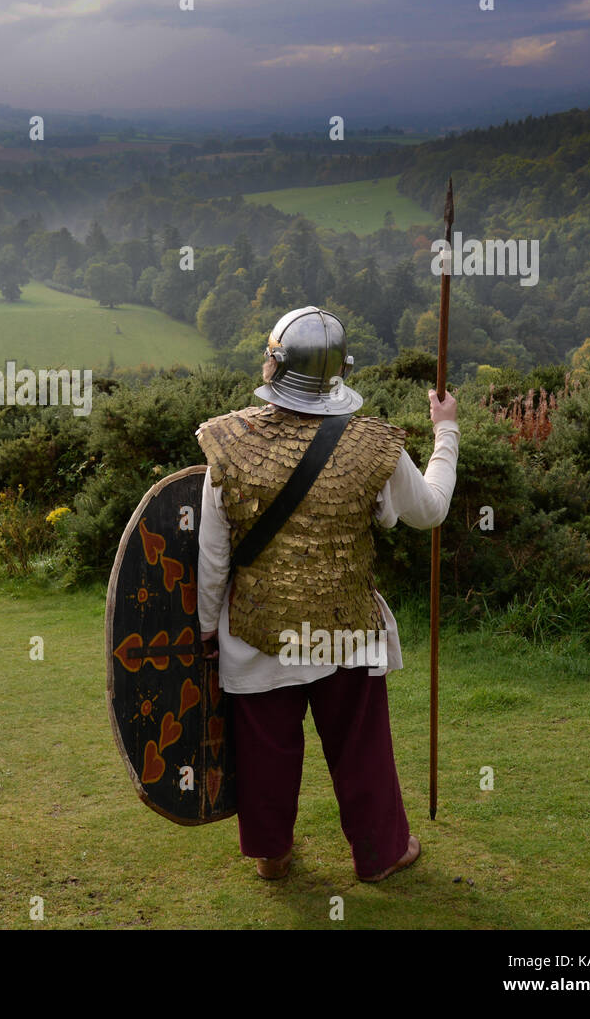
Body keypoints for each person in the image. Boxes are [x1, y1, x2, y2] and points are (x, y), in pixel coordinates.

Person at [194, 306, 459, 881]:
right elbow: (430, 510)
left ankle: (273, 855)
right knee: (360, 748)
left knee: (267, 748)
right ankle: (381, 854)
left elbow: (213, 556)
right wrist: (447, 432)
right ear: (340, 371)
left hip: (259, 632)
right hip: (346, 629)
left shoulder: (229, 442)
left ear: (273, 364)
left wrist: (207, 628)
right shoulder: (371, 445)